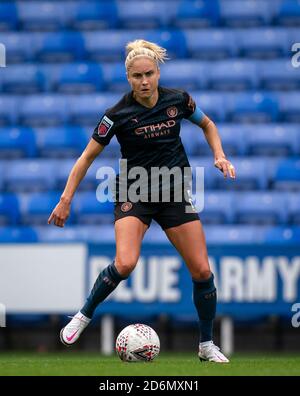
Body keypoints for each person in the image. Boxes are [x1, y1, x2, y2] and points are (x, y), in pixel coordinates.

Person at [48, 40, 235, 363]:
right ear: (128, 78)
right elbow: (85, 158)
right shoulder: (116, 115)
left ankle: (206, 345)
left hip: (174, 193)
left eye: (149, 74)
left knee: (203, 270)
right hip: (134, 192)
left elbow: (208, 124)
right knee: (125, 262)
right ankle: (83, 314)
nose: (144, 81)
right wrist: (65, 200)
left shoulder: (179, 100)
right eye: (137, 76)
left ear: (158, 73)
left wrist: (219, 155)